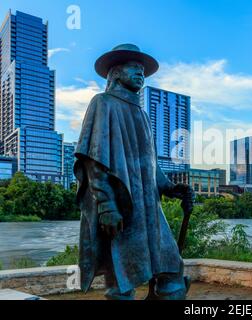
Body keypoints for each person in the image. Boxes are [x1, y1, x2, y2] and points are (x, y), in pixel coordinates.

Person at [74, 44, 194, 300]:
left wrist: (171, 187)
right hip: (122, 205)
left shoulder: (142, 114)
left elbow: (149, 164)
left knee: (171, 267)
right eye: (134, 68)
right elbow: (93, 160)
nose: (140, 73)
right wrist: (107, 204)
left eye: (142, 69)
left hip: (150, 208)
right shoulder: (102, 103)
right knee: (122, 279)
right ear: (116, 73)